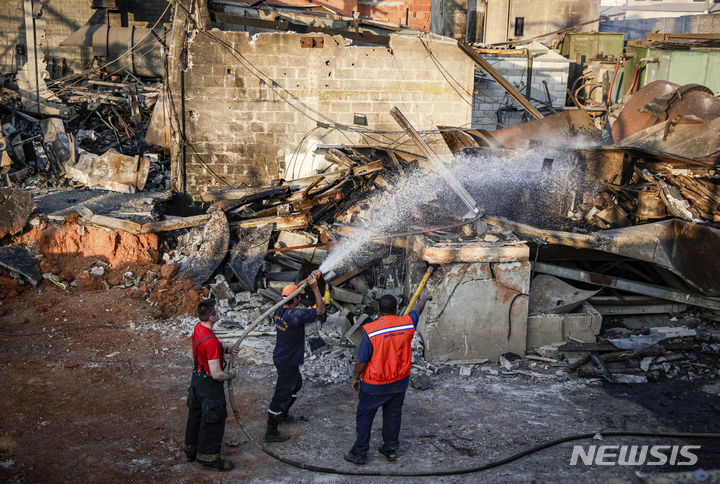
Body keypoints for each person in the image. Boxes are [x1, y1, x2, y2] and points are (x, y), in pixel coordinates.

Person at [344, 290, 432, 465]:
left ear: (378, 308)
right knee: (393, 415)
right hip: (399, 382)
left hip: (375, 384)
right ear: (397, 308)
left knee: (365, 416)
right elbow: (417, 310)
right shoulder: (406, 324)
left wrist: (355, 378)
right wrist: (424, 298)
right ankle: (390, 449)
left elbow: (362, 360)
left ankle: (359, 452)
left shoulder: (371, 331)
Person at [265, 269, 326, 442]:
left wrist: (308, 279)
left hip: (282, 357)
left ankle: (283, 414)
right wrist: (315, 288)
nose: (300, 299)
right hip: (288, 361)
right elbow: (320, 310)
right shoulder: (295, 315)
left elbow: (295, 290)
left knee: (296, 384)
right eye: (299, 297)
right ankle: (271, 432)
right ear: (295, 300)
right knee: (281, 395)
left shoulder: (280, 306)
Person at [184, 299, 238, 472]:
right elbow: (216, 374)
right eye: (217, 311)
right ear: (212, 317)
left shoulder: (198, 328)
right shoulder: (212, 342)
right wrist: (230, 374)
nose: (219, 312)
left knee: (196, 416)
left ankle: (191, 450)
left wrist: (226, 349)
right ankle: (208, 458)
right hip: (209, 385)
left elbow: (207, 348)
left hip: (197, 380)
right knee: (213, 419)